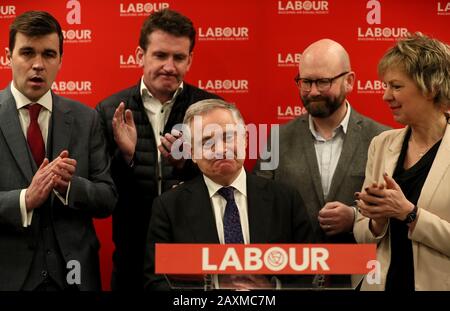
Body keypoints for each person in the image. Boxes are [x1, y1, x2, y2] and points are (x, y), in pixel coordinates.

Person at [96, 9, 221, 290]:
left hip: (193, 253)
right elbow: (102, 193)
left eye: (178, 57)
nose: (169, 66)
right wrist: (126, 157)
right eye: (160, 55)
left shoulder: (212, 111)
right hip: (131, 254)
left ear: (190, 60)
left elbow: (228, 184)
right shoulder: (108, 110)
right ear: (140, 56)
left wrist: (186, 164)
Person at [254, 39, 389, 287]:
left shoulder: (382, 139)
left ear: (349, 81)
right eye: (306, 82)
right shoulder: (276, 140)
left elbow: (396, 211)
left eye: (323, 82)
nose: (313, 91)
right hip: (293, 279)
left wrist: (354, 216)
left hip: (362, 278)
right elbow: (260, 208)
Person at [0, 11, 117, 291]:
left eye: (49, 54)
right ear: (7, 56)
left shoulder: (86, 119)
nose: (38, 65)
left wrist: (69, 187)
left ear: (61, 60)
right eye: (27, 52)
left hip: (74, 279)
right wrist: (25, 199)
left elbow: (107, 198)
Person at [143, 99, 314, 290]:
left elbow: (310, 273)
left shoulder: (285, 200)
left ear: (246, 139)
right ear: (191, 152)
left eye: (229, 137)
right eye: (207, 141)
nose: (221, 150)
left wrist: (273, 290)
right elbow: (156, 282)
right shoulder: (169, 207)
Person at [354, 33, 450, 291]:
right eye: (385, 86)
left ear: (431, 87)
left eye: (396, 87)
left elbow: (409, 214)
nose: (386, 96)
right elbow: (362, 232)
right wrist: (377, 221)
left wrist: (410, 214)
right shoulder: (382, 144)